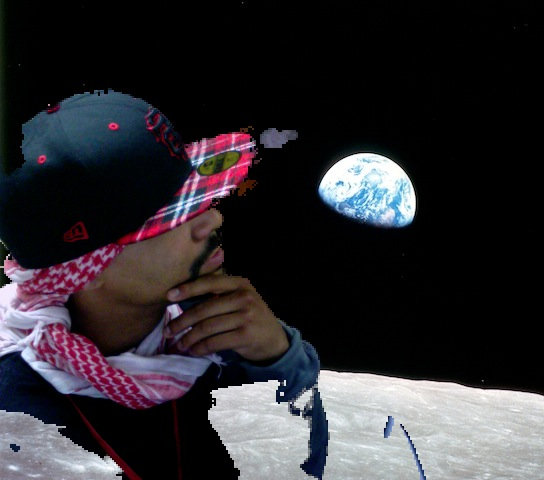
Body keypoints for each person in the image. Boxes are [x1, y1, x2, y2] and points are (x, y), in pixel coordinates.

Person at [0, 90, 328, 479]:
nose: (212, 221)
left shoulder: (231, 337)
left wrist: (279, 361)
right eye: (172, 217)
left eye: (197, 198)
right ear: (87, 268)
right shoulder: (17, 426)